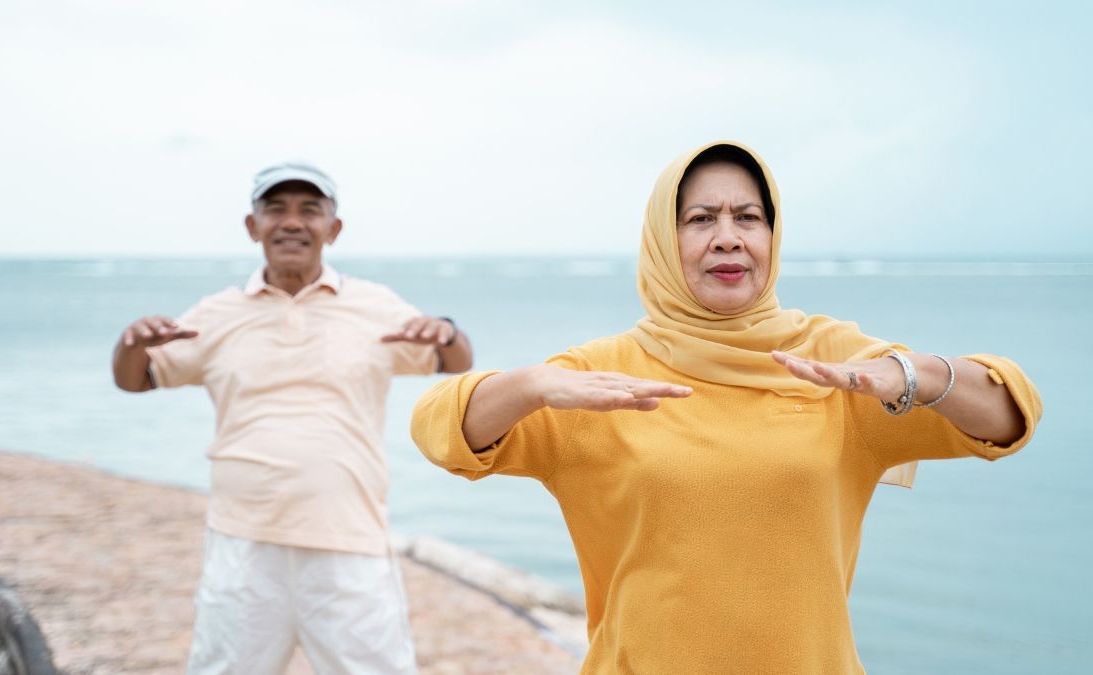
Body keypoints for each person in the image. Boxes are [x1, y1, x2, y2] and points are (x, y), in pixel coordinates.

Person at [410, 141, 1041, 674]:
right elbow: (439, 431)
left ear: (773, 234)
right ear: (663, 237)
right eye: (700, 219)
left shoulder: (838, 363)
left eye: (748, 217)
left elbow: (1011, 416)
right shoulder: (600, 377)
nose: (727, 239)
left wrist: (918, 374)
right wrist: (526, 388)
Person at [112, 161, 473, 675]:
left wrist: (447, 331)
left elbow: (454, 361)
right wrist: (132, 341)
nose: (292, 222)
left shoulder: (374, 305)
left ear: (334, 228)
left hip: (350, 539)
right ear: (252, 225)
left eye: (310, 210)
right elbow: (136, 378)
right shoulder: (216, 313)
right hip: (242, 541)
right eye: (275, 209)